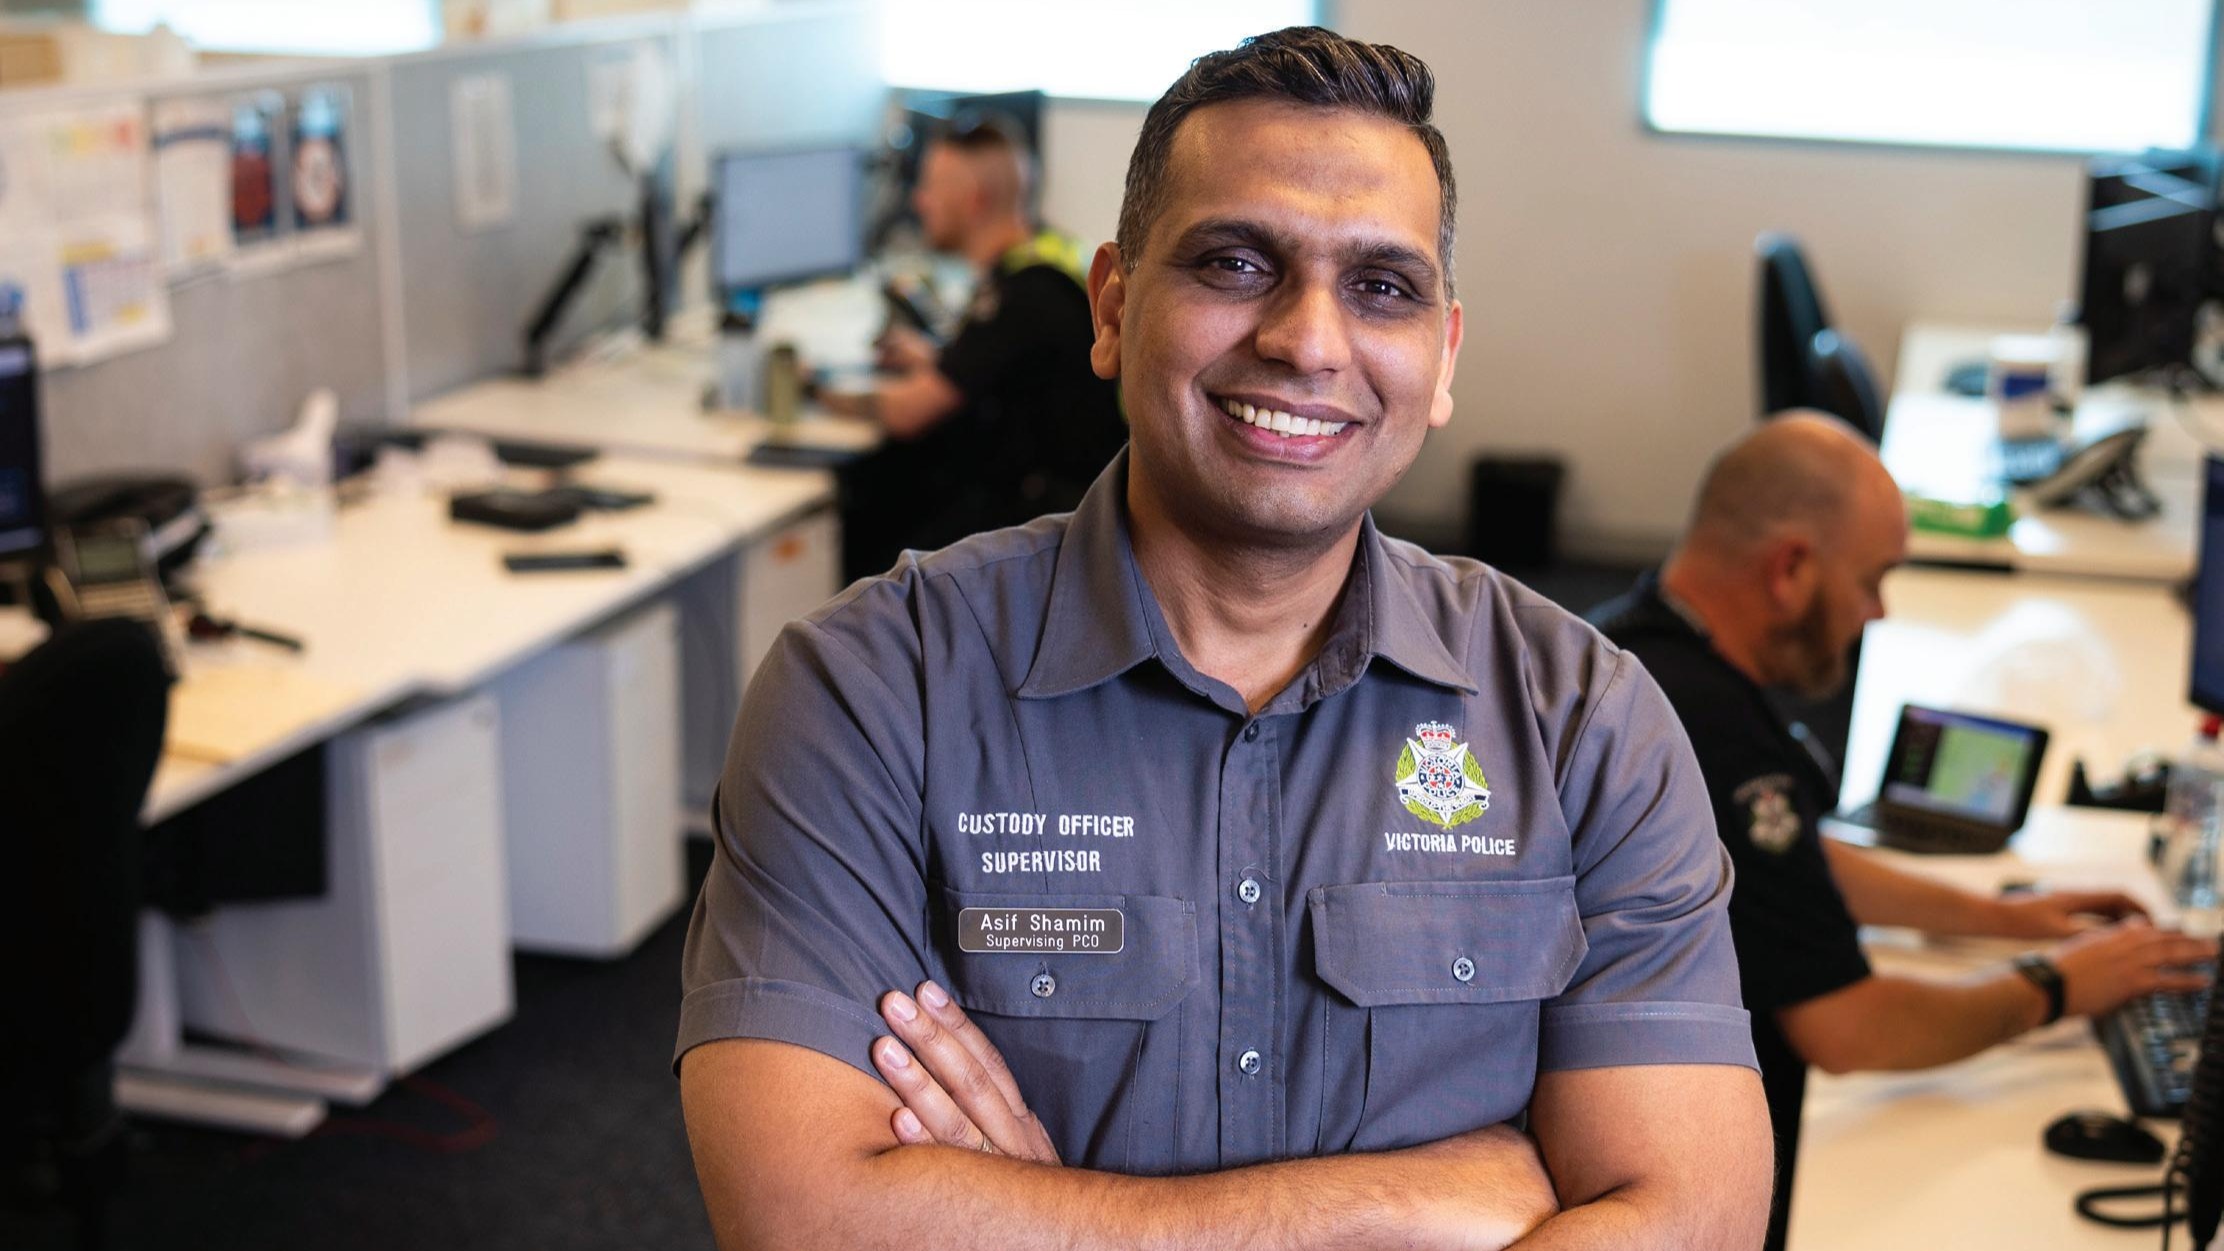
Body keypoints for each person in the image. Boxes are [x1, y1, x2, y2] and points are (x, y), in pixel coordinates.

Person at [679, 26, 1773, 1250]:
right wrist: (1407, 1203)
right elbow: (805, 1217)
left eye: (1381, 287)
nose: (1307, 340)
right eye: (1238, 263)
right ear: (1112, 305)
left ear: (1441, 354)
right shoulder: (874, 691)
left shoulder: (1582, 721)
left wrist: (1040, 1216)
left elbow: (1692, 1219)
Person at [1589, 412, 2216, 1251]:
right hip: (1657, 1164)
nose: (1879, 612)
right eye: (1872, 580)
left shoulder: (1645, 647)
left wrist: (2010, 917)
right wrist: (2057, 985)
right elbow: (1849, 1027)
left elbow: (1792, 856)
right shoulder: (1707, 731)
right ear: (1791, 569)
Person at [830, 119, 1126, 579]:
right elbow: (1013, 368)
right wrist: (935, 357)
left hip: (1042, 530)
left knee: (876, 520)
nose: (918, 201)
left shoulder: (1024, 296)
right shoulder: (1052, 255)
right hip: (1081, 506)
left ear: (973, 203)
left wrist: (814, 386)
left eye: (930, 188)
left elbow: (909, 412)